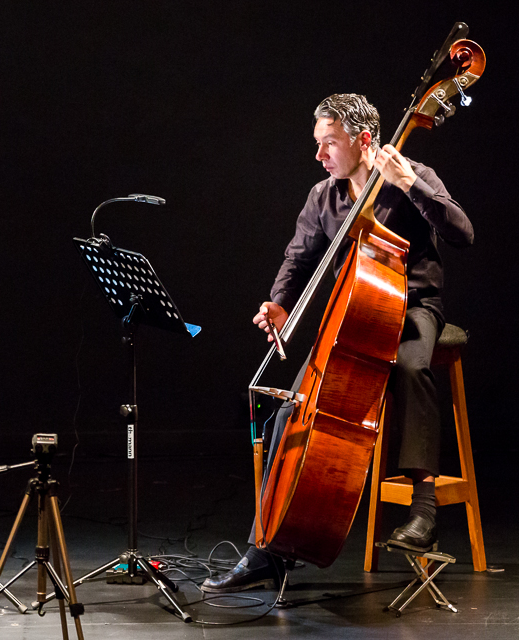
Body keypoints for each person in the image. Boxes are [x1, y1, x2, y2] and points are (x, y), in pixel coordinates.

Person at [202, 94, 473, 593]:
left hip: (415, 306)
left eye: (330, 143)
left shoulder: (411, 173)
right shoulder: (323, 196)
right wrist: (280, 301)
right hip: (357, 314)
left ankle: (424, 510)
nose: (320, 154)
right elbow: (299, 254)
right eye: (318, 143)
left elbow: (462, 232)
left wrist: (410, 186)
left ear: (363, 140)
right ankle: (268, 549)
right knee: (290, 411)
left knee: (412, 369)